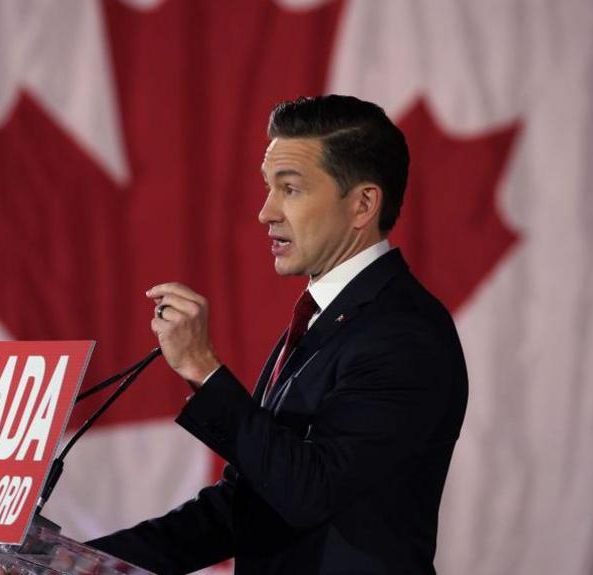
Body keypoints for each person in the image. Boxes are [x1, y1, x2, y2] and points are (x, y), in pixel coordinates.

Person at [88, 95, 468, 574]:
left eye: (289, 189)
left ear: (363, 204)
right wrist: (85, 564)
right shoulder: (326, 320)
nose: (265, 212)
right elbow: (244, 506)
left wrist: (204, 369)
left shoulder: (404, 335)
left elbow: (308, 493)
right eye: (268, 187)